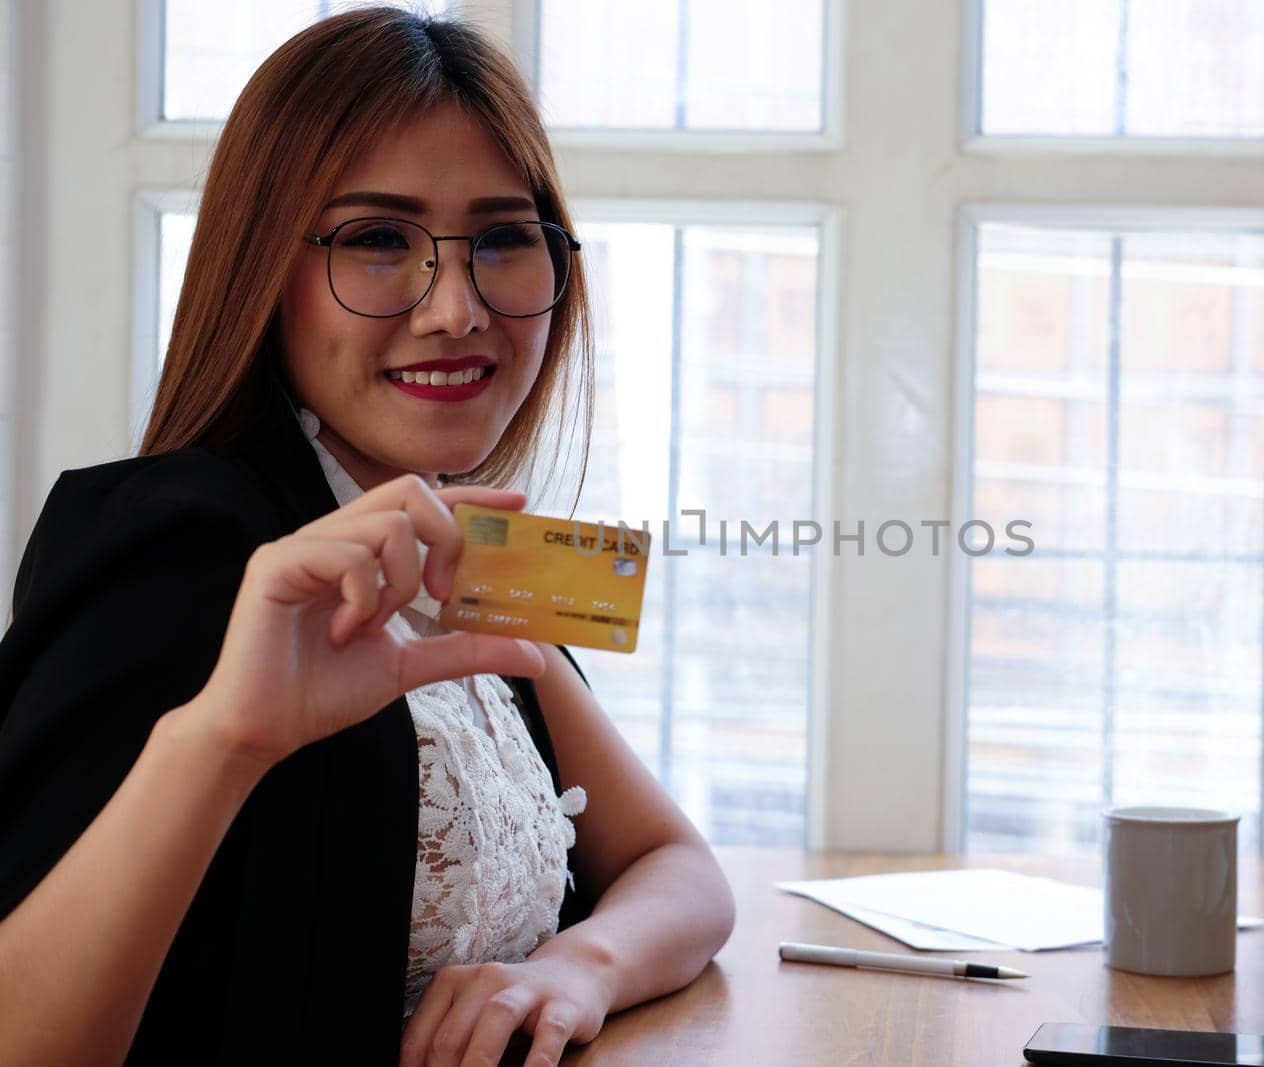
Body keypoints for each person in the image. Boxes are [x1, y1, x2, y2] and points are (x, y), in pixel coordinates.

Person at [0, 8, 735, 1065]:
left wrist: (577, 967)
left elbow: (678, 862)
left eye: (501, 239)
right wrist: (222, 739)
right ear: (264, 271)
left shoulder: (464, 539)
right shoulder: (174, 542)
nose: (455, 308)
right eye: (378, 239)